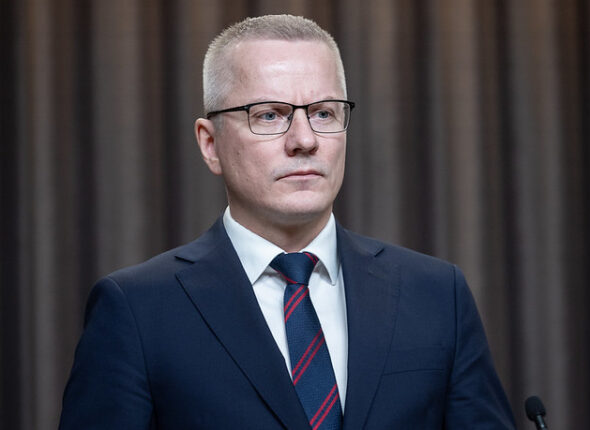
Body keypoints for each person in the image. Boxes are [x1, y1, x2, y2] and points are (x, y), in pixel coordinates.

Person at [59, 14, 516, 429]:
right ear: (210, 144)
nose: (304, 140)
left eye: (323, 113)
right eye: (269, 115)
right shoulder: (138, 309)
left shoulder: (435, 294)